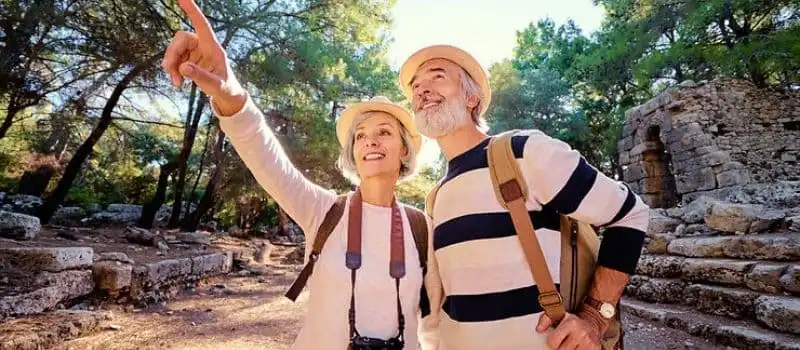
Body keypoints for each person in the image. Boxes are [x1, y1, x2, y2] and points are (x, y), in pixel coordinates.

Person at [161, 1, 430, 349]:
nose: (370, 141)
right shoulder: (324, 210)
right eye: (360, 135)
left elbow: (436, 323)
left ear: (404, 150)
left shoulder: (423, 228)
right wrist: (231, 93)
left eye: (385, 132)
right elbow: (265, 156)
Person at [399, 45, 650, 349]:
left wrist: (596, 316)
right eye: (415, 86)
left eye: (437, 77)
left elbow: (630, 213)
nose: (422, 90)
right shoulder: (436, 197)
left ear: (471, 98)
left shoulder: (523, 151)